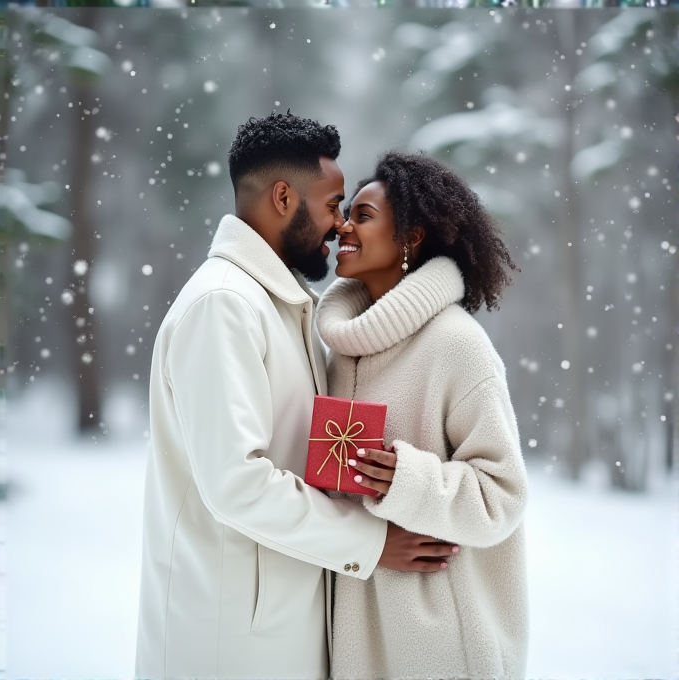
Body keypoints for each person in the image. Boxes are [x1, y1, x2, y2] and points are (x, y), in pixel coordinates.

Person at [134, 115, 457, 680]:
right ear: (284, 197)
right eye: (334, 204)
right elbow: (238, 482)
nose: (339, 224)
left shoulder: (283, 306)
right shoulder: (223, 305)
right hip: (226, 643)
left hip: (278, 630)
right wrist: (373, 541)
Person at [315, 151, 530, 679]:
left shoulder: (457, 345)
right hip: (358, 642)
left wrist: (408, 480)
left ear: (410, 237)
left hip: (442, 646)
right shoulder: (342, 352)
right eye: (346, 212)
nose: (343, 224)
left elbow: (503, 494)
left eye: (362, 216)